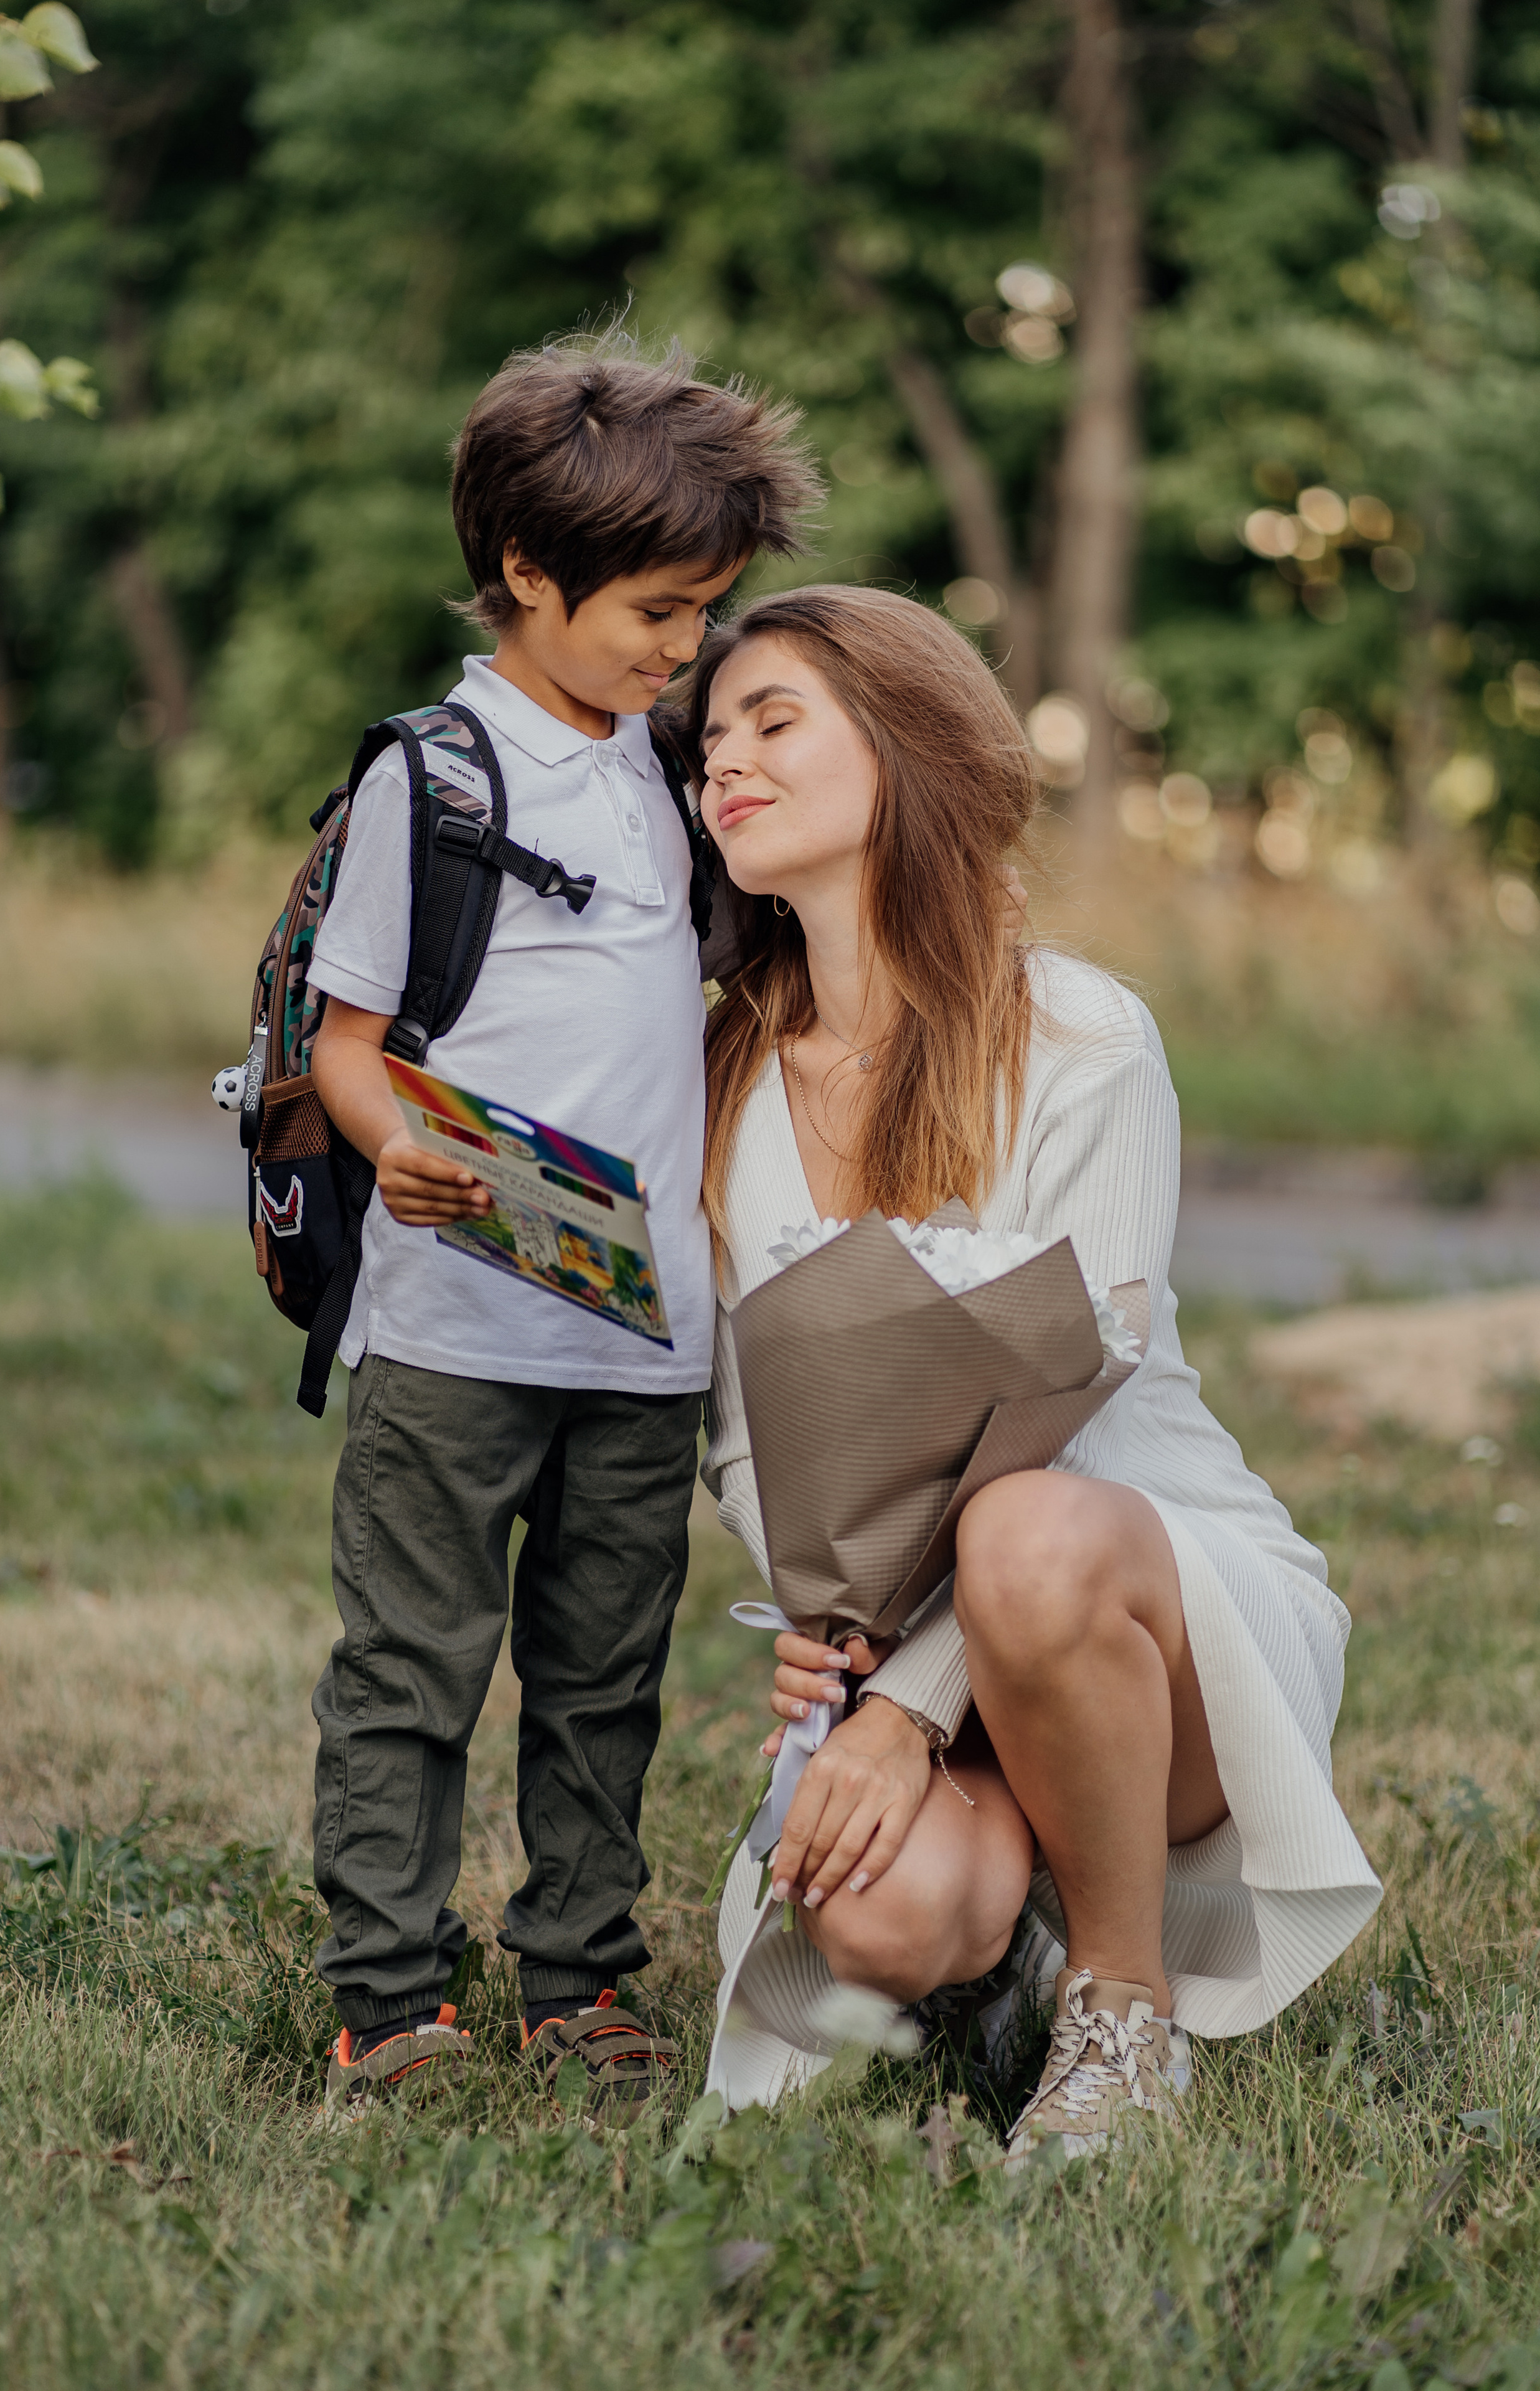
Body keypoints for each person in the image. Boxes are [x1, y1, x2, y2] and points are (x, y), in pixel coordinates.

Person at [688, 585, 1381, 2156]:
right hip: (914, 1631)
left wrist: (909, 1706)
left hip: (1149, 1598)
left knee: (1023, 1531)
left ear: (906, 744)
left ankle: (1122, 2016)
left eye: (770, 722)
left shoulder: (1079, 1038)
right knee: (877, 1922)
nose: (719, 761)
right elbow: (739, 1425)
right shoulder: (721, 1076)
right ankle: (1014, 1945)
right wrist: (829, 1626)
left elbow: (1075, 1395)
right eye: (708, 738)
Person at [303, 331, 820, 2111]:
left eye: (708, 613)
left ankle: (580, 1976)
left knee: (603, 1680)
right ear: (530, 574)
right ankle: (389, 1994)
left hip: (647, 1334)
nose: (688, 648)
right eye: (660, 613)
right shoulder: (437, 779)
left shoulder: (683, 770)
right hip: (455, 1320)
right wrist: (395, 1148)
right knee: (415, 1665)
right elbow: (347, 1041)